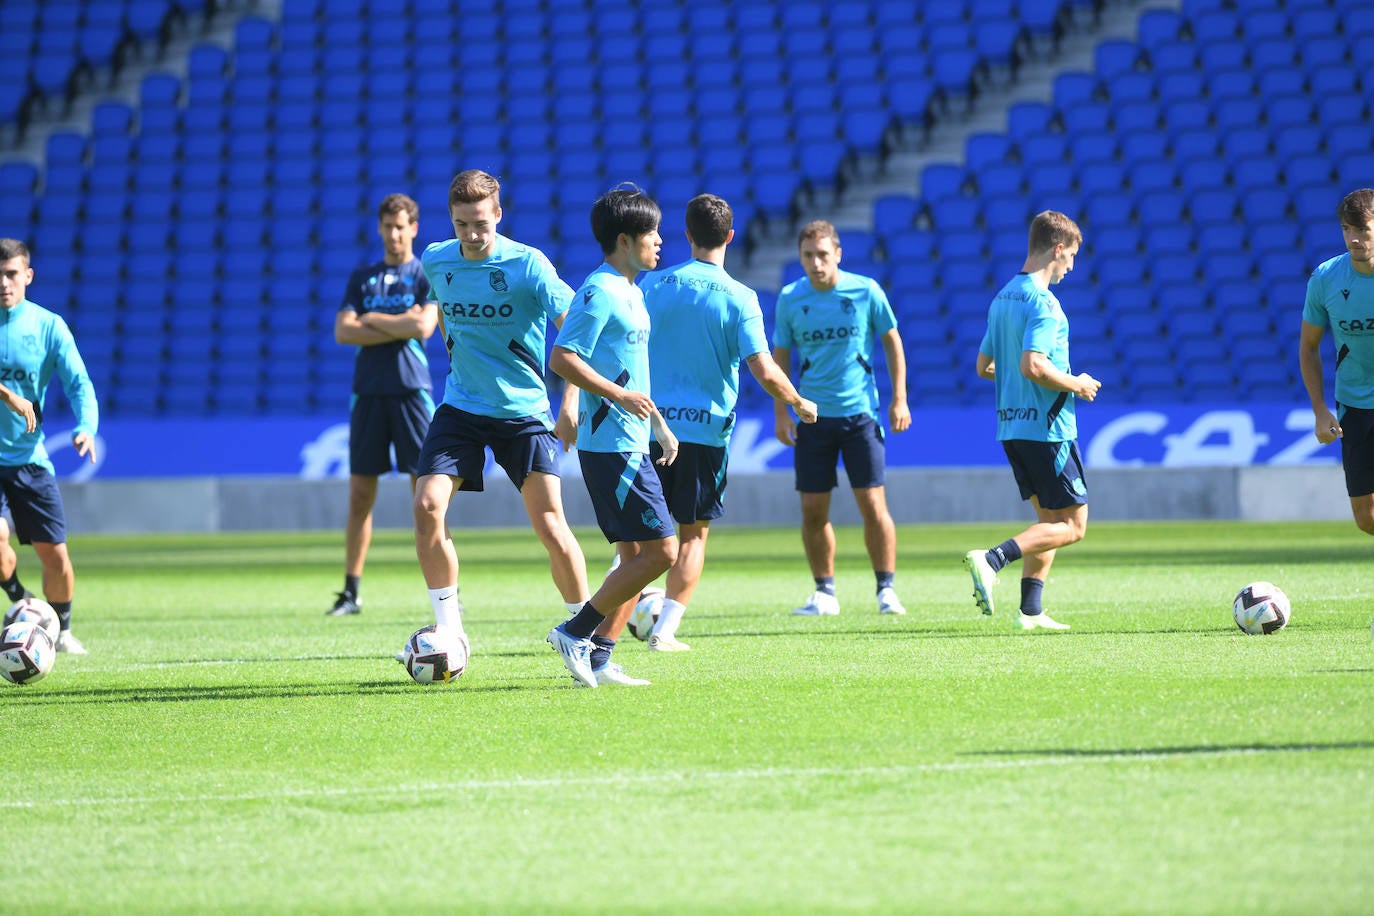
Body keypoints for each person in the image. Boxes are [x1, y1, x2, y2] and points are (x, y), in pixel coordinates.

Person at [412, 170, 590, 659]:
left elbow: (576, 331)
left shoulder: (528, 265)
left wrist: (569, 403)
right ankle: (450, 630)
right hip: (462, 406)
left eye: (480, 225)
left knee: (551, 525)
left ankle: (586, 634)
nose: (470, 235)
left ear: (498, 216)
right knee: (427, 507)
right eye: (461, 223)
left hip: (523, 412)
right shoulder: (435, 259)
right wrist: (453, 346)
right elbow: (441, 306)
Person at [637, 193, 817, 651]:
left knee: (640, 536)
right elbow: (762, 368)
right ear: (730, 237)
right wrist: (797, 399)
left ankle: (608, 627)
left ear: (687, 234)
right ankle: (665, 631)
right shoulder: (741, 297)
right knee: (692, 535)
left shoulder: (652, 285)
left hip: (650, 427)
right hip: (704, 431)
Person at [546, 184, 680, 687]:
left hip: (632, 437)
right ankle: (575, 631)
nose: (660, 241)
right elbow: (562, 357)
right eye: (653, 233)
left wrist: (659, 426)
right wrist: (617, 399)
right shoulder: (599, 291)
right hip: (610, 444)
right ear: (625, 240)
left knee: (632, 557)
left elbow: (633, 375)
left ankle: (599, 655)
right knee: (663, 552)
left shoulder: (633, 292)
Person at [962, 210, 1100, 631]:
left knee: (1048, 524)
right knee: (1073, 526)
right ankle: (993, 558)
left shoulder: (1003, 297)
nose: (1072, 266)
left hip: (1012, 426)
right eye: (1072, 255)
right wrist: (1076, 383)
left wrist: (1022, 375)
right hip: (1047, 428)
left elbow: (985, 364)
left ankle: (1031, 611)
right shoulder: (1045, 304)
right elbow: (1034, 366)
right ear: (1057, 248)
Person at [771, 220, 911, 617]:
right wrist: (782, 411)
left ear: (838, 255)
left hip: (859, 416)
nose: (815, 263)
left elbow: (892, 341)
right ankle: (825, 593)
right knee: (813, 510)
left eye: (822, 255)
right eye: (807, 256)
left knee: (872, 504)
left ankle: (886, 590)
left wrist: (899, 398)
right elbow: (780, 358)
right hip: (812, 418)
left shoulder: (865, 290)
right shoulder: (790, 298)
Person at [327, 193, 439, 617]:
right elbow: (343, 332)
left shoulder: (424, 275)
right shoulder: (363, 278)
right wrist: (399, 325)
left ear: (413, 228)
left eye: (401, 226)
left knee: (426, 495)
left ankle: (445, 588)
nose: (394, 234)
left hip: (412, 392)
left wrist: (371, 320)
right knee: (360, 496)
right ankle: (351, 591)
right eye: (388, 227)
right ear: (380, 229)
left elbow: (424, 325)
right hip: (369, 393)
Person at [0, 238, 99, 653]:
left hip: (29, 458)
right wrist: (8, 395)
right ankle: (23, 602)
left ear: (28, 276)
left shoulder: (48, 325)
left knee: (55, 555)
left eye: (10, 274)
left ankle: (61, 628)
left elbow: (78, 382)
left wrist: (86, 425)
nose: (3, 283)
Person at [1299, 188, 1374, 535]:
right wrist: (1320, 410)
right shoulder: (1326, 278)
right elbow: (1309, 346)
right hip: (1355, 405)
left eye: (1362, 230)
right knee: (1366, 518)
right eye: (1347, 229)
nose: (1354, 239)